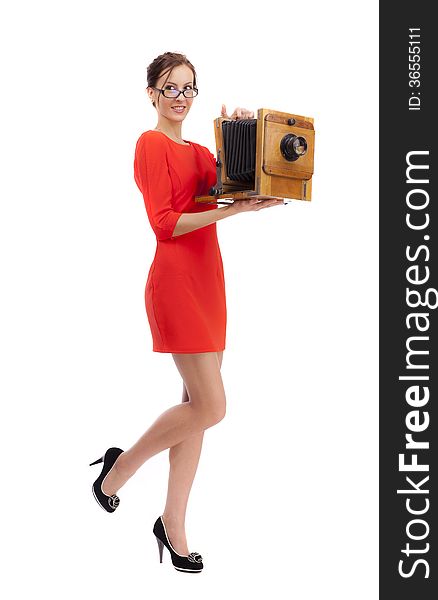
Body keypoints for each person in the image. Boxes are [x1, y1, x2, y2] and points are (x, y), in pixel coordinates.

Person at [89, 51, 284, 573]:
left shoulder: (199, 151)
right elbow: (165, 223)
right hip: (175, 282)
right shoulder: (150, 145)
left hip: (210, 283)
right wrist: (231, 211)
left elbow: (234, 185)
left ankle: (172, 523)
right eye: (170, 88)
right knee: (212, 408)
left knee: (196, 411)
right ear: (151, 93)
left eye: (189, 89)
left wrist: (245, 136)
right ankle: (118, 471)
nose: (180, 98)